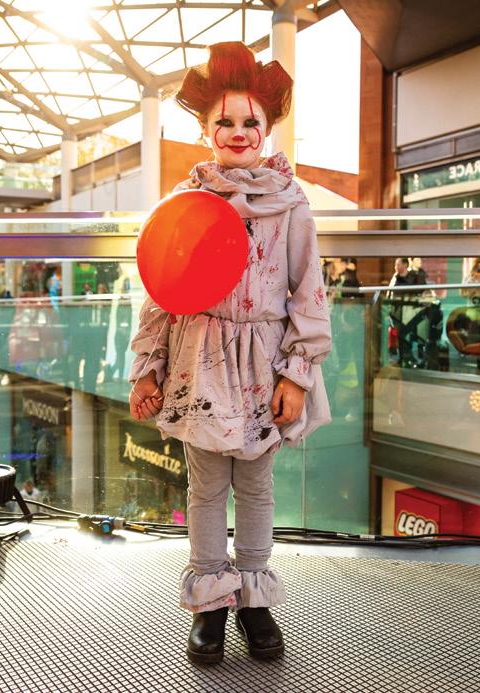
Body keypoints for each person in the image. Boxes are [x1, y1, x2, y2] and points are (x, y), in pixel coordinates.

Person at [128, 42, 330, 665]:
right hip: (200, 363)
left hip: (263, 363)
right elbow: (160, 293)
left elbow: (308, 291)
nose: (238, 131)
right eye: (225, 121)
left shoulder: (291, 204)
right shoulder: (186, 200)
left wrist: (297, 374)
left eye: (250, 121)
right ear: (204, 129)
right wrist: (147, 368)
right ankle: (210, 604)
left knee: (258, 488)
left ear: (267, 129)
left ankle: (256, 600)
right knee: (207, 487)